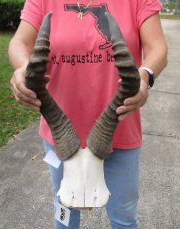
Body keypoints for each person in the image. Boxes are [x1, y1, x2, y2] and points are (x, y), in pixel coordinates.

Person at [9, 0, 167, 228]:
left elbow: (158, 48)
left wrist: (144, 75)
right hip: (60, 134)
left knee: (124, 216)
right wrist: (23, 68)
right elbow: (19, 43)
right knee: (63, 207)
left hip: (118, 130)